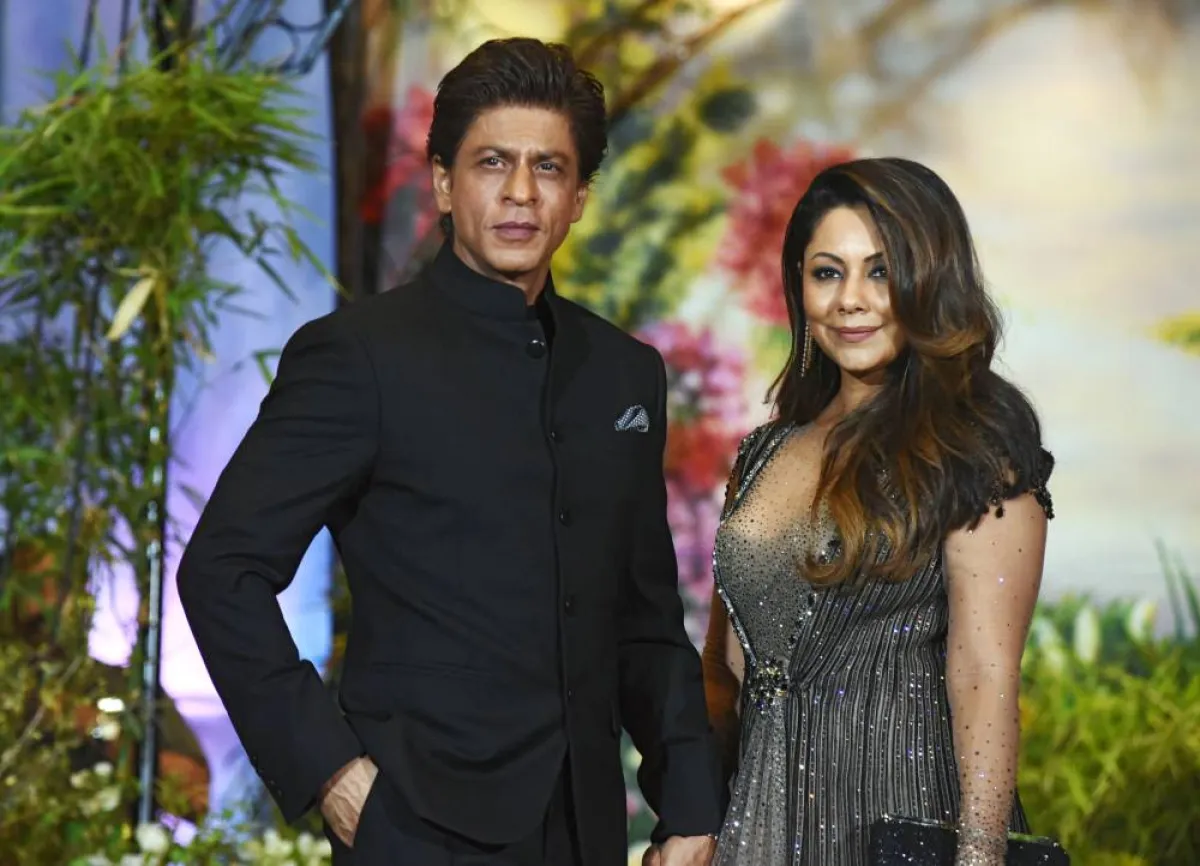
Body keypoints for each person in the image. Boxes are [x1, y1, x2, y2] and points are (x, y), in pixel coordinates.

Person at [176, 38, 722, 866]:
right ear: (442, 182)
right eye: (491, 162)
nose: (518, 193)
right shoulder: (360, 356)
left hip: (585, 831)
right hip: (415, 826)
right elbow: (220, 569)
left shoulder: (623, 373)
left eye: (548, 168)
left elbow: (643, 620)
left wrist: (688, 805)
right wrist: (332, 775)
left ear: (578, 197)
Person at [701, 157, 1054, 866]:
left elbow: (984, 675)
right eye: (827, 272)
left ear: (930, 279)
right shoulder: (765, 452)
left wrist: (980, 857)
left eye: (881, 271)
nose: (851, 300)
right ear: (798, 287)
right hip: (757, 826)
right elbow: (729, 666)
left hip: (903, 824)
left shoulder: (978, 447)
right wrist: (695, 819)